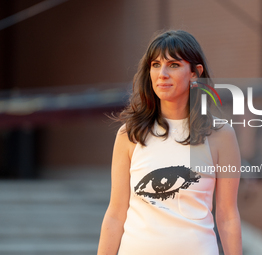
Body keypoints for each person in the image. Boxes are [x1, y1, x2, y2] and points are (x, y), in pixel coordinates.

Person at [97, 30, 242, 255]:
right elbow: (116, 214)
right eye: (155, 64)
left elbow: (228, 216)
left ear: (195, 72)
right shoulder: (129, 134)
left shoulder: (221, 135)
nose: (162, 74)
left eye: (173, 65)